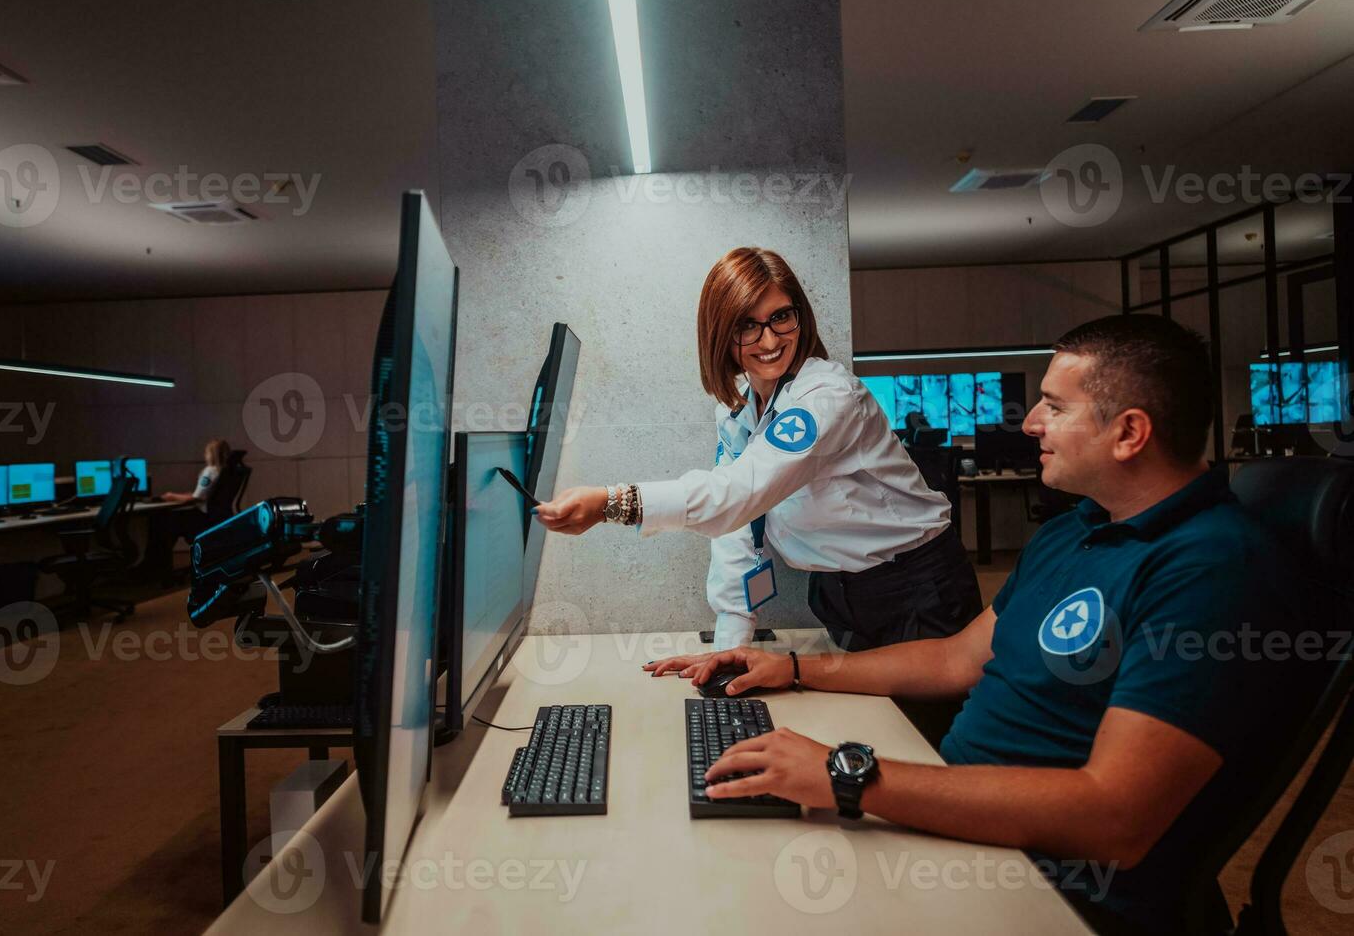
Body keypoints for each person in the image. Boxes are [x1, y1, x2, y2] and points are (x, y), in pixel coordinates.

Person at [643, 315, 1331, 934]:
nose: (1030, 422)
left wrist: (848, 776)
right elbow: (955, 659)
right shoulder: (1078, 530)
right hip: (972, 831)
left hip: (1054, 892)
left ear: (1129, 433)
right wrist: (795, 669)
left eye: (1055, 408)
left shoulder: (1211, 570)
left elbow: (1113, 817)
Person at [535, 247, 982, 738]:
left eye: (780, 318)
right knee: (878, 737)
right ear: (721, 335)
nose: (769, 340)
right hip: (840, 595)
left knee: (927, 748)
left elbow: (735, 495)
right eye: (747, 325)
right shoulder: (737, 409)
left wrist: (612, 502)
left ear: (800, 316)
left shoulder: (826, 396)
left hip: (916, 591)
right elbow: (739, 531)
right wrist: (731, 646)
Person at [145, 438, 232, 581]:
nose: (204, 455)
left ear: (211, 454)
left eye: (206, 452)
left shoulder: (210, 471)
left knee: (160, 522)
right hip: (213, 518)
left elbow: (196, 498)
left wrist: (171, 496)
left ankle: (156, 569)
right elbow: (202, 495)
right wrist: (186, 495)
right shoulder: (224, 472)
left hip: (201, 519)